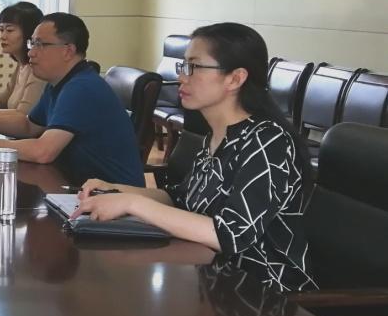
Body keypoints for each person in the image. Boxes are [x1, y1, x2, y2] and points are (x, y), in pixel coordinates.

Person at [73, 23, 317, 292]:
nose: (181, 77)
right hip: (210, 279)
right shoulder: (217, 135)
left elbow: (230, 234)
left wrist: (132, 203)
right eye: (183, 66)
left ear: (235, 78)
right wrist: (114, 190)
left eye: (194, 67)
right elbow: (181, 199)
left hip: (262, 292)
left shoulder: (268, 141)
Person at [0, 12, 144, 186]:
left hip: (114, 199)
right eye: (32, 43)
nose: (31, 52)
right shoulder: (59, 82)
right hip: (80, 187)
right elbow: (29, 126)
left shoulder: (81, 87)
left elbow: (43, 152)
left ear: (68, 50)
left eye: (39, 44)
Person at [0, 1, 46, 114]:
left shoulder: (39, 69)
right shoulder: (22, 64)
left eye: (9, 30)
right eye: (1, 30)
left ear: (29, 34)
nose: (3, 36)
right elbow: (2, 101)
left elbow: (23, 115)